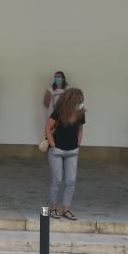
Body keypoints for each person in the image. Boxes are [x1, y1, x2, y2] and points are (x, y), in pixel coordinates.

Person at [45, 87, 86, 221]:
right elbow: (48, 127)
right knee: (57, 180)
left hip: (72, 151)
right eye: (78, 100)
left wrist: (78, 144)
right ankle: (52, 208)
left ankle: (66, 209)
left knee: (71, 181)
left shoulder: (80, 113)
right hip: (57, 151)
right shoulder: (59, 111)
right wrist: (53, 145)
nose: (80, 102)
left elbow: (80, 129)